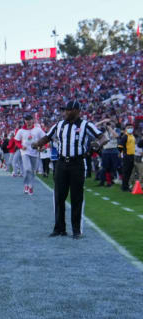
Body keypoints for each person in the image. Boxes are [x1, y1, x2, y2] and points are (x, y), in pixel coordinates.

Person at [34, 100, 106, 239]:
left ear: (77, 111)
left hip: (77, 163)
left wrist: (98, 143)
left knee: (76, 197)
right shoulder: (59, 125)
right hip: (61, 163)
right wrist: (37, 144)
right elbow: (47, 137)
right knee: (59, 196)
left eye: (69, 110)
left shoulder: (85, 125)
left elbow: (103, 137)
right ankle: (59, 228)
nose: (66, 112)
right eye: (65, 110)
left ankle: (76, 230)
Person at [14, 113, 45, 195]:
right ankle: (26, 185)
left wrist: (43, 146)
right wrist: (21, 146)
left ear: (33, 120)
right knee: (27, 169)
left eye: (30, 119)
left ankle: (31, 186)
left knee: (33, 171)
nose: (28, 121)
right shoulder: (21, 131)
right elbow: (16, 141)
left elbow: (45, 138)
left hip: (35, 153)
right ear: (25, 121)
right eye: (26, 120)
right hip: (25, 152)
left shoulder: (38, 130)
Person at [118, 121, 136, 192]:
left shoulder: (132, 136)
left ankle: (126, 185)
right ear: (126, 129)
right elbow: (120, 146)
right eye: (129, 128)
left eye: (131, 127)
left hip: (132, 155)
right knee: (126, 172)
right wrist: (122, 154)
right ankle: (124, 186)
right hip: (127, 156)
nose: (130, 129)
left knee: (129, 172)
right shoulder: (125, 136)